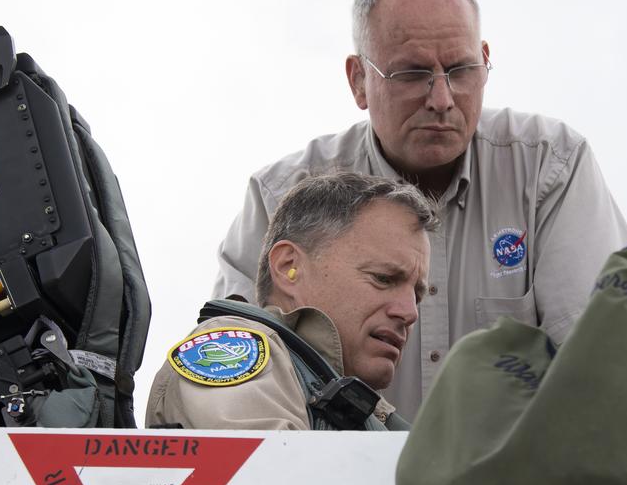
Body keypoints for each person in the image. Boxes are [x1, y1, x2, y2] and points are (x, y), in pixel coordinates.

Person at [214, 0, 627, 420]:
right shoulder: (280, 199)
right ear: (358, 80)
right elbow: (230, 383)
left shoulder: (550, 170)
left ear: (486, 62)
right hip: (332, 481)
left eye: (460, 69)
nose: (441, 98)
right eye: (413, 74)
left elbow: (606, 368)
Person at [147, 174, 436, 431]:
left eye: (417, 295)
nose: (409, 312)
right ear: (288, 267)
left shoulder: (362, 409)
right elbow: (272, 481)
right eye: (383, 278)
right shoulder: (230, 348)